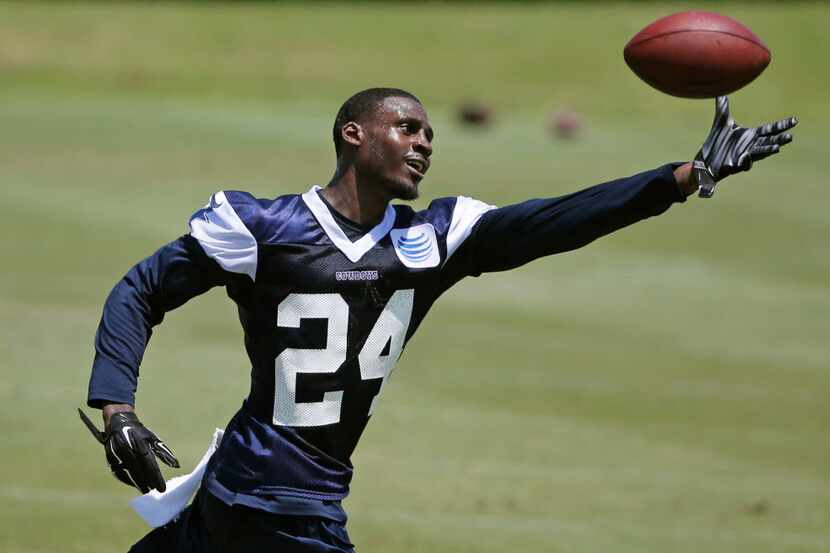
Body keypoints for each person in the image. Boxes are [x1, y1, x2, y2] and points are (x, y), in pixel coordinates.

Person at [81, 88, 796, 552]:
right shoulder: (266, 225)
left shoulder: (433, 240)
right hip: (256, 504)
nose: (424, 142)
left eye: (429, 133)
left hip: (276, 506)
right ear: (353, 134)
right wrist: (118, 409)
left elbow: (554, 222)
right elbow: (141, 288)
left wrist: (681, 178)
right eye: (407, 127)